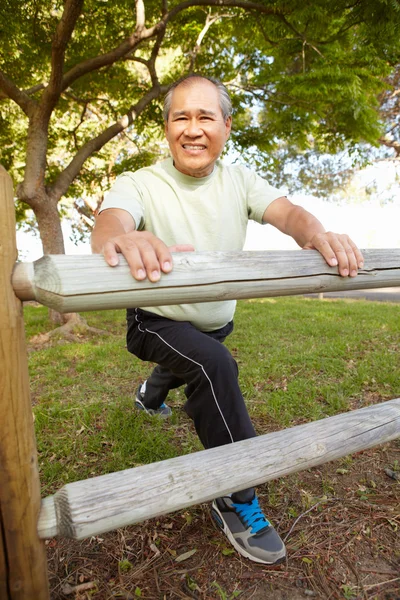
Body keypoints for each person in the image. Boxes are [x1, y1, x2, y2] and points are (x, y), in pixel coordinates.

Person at [91, 74, 364, 566]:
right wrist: (122, 238)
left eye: (205, 117)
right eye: (181, 117)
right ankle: (236, 494)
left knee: (193, 357)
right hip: (155, 320)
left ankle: (150, 393)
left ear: (227, 126)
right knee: (214, 364)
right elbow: (112, 220)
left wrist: (317, 234)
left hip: (214, 320)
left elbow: (288, 213)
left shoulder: (241, 180)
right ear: (167, 127)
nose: (193, 129)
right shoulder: (140, 182)